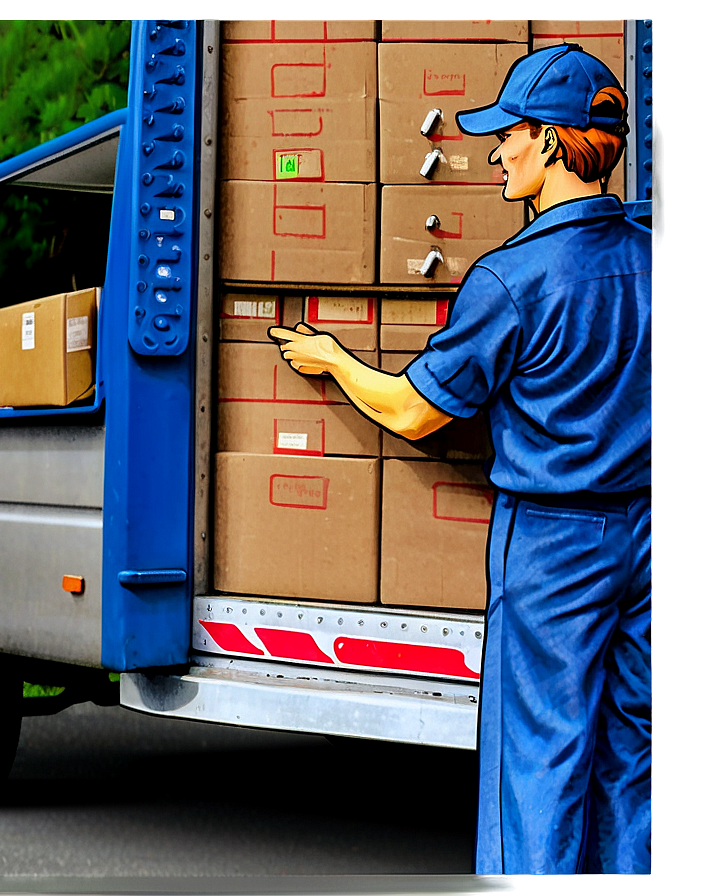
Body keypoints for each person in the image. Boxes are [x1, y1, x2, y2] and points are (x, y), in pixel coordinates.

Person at [269, 43, 651, 875]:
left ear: (551, 142)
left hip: (556, 545)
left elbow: (414, 410)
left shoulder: (512, 280)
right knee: (637, 762)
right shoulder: (665, 261)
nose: (493, 150)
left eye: (508, 133)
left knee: (539, 761)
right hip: (657, 537)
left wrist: (335, 360)